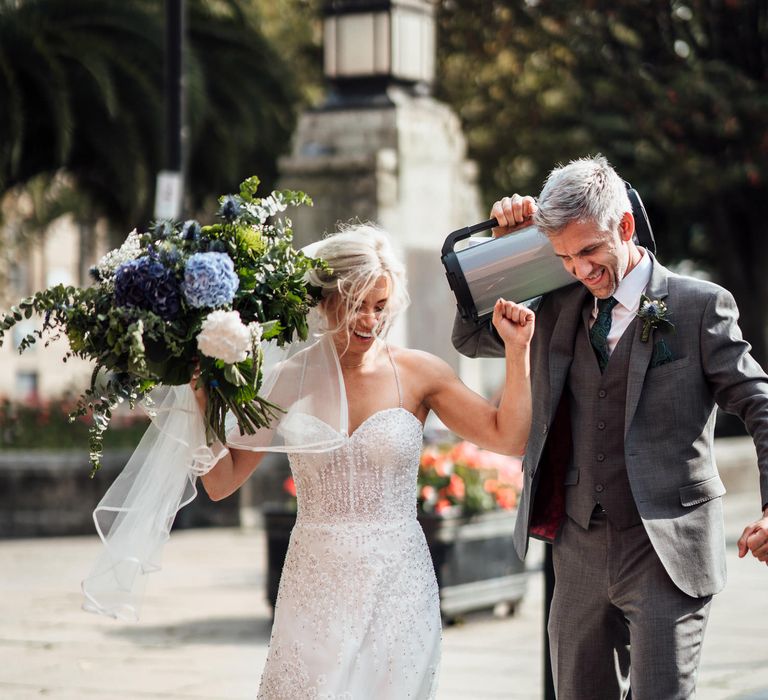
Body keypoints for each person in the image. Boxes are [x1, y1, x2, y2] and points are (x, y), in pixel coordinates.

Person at [452, 155, 768, 699]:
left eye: (590, 251)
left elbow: (760, 401)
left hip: (667, 547)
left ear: (624, 227)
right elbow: (472, 336)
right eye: (564, 257)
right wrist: (504, 248)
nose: (579, 269)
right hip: (578, 546)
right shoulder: (555, 304)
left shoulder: (699, 306)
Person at [192, 224, 535, 699]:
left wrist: (517, 353)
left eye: (380, 306)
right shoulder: (285, 380)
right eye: (357, 305)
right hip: (315, 583)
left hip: (399, 586)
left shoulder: (419, 373)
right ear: (325, 301)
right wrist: (199, 410)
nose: (370, 321)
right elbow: (221, 482)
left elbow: (508, 436)